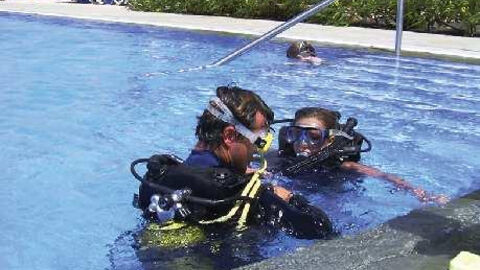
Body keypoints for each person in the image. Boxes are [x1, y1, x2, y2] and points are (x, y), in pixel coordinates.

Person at [131, 86, 333, 240]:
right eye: (258, 140)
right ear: (229, 136)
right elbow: (319, 229)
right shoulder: (241, 195)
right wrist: (289, 198)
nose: (256, 149)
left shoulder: (162, 175)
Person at [274, 107, 449, 204]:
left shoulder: (344, 166)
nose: (302, 142)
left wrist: (420, 193)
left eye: (313, 137)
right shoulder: (281, 160)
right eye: (296, 134)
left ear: (330, 139)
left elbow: (385, 176)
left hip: (329, 197)